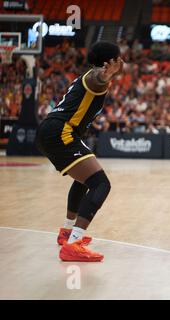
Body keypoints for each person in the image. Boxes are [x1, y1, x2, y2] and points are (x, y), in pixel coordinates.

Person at [35, 41, 124, 262]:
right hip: (60, 131)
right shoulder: (95, 77)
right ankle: (73, 243)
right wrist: (106, 75)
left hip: (55, 130)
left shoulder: (87, 76)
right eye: (119, 57)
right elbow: (98, 79)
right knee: (101, 184)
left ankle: (67, 232)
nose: (122, 61)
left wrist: (106, 76)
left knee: (86, 181)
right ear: (109, 62)